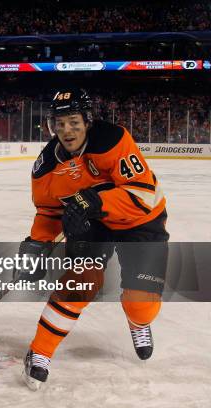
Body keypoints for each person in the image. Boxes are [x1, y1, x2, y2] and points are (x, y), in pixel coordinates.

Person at [21, 89, 168, 390]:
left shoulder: (112, 139)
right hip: (93, 226)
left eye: (73, 122)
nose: (66, 130)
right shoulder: (47, 167)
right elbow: (48, 211)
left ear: (88, 121)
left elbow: (143, 194)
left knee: (141, 305)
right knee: (79, 282)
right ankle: (40, 352)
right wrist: (37, 244)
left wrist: (96, 202)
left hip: (141, 220)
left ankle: (138, 322)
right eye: (58, 124)